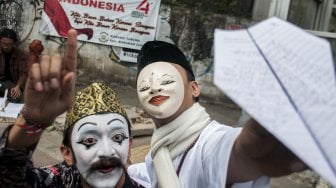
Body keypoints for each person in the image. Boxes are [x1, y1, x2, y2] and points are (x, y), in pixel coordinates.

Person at [128, 40, 307, 188]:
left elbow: (227, 153)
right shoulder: (158, 153)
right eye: (144, 86)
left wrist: (247, 152)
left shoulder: (207, 143)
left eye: (167, 80)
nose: (155, 88)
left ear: (194, 89)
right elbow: (149, 172)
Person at [0, 30, 146, 188]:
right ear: (68, 153)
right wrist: (32, 121)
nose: (106, 151)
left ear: (130, 145)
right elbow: (9, 179)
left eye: (117, 137)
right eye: (90, 140)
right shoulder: (62, 180)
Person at [0, 28, 28, 102]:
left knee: (15, 97)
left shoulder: (21, 55)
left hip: (8, 83)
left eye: (9, 44)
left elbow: (24, 73)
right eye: (3, 43)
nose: (6, 46)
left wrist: (18, 86)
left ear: (14, 43)